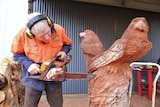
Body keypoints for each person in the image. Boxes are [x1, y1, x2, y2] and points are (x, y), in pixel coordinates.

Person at [11, 12, 72, 107]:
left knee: (57, 104)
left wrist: (64, 51)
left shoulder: (59, 30)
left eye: (48, 33)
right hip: (34, 74)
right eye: (41, 37)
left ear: (49, 24)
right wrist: (29, 64)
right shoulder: (22, 35)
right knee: (29, 104)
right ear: (31, 34)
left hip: (54, 71)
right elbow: (17, 54)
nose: (47, 38)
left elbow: (67, 44)